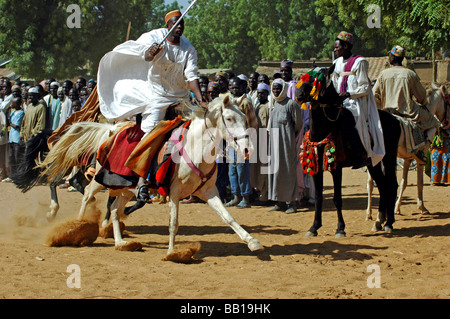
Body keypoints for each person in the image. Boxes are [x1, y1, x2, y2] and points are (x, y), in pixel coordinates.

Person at [97, 9, 206, 203]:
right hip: (158, 96)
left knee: (201, 128)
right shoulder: (154, 37)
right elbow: (144, 55)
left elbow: (192, 76)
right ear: (168, 25)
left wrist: (200, 98)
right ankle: (141, 182)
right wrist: (149, 53)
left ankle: (193, 177)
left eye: (182, 23)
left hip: (181, 96)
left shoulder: (188, 48)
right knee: (151, 136)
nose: (179, 26)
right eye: (176, 22)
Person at [373, 45, 439, 164]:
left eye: (390, 55)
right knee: (434, 123)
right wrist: (423, 103)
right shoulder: (410, 74)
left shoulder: (383, 74)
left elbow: (374, 94)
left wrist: (380, 106)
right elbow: (422, 95)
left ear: (392, 58)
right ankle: (422, 151)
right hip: (408, 113)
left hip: (387, 113)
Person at [331, 31, 385, 168]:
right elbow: (334, 82)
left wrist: (348, 94)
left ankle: (360, 153)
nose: (335, 49)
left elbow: (365, 87)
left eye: (337, 47)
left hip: (355, 102)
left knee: (347, 119)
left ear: (346, 47)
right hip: (340, 101)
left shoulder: (359, 62)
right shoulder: (336, 63)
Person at [267, 79, 303, 214]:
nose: (276, 91)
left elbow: (298, 125)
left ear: (284, 89)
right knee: (276, 172)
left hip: (287, 143)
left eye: (278, 88)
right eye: (274, 89)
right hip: (274, 144)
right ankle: (279, 202)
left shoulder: (291, 104)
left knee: (288, 172)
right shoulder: (274, 104)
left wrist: (289, 137)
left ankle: (292, 203)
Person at [225, 77, 258, 209]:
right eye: (232, 87)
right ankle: (236, 196)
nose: (234, 89)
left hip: (242, 142)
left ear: (242, 88)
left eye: (237, 87)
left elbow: (253, 123)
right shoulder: (228, 101)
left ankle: (246, 198)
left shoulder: (245, 103)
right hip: (231, 143)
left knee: (242, 171)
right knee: (232, 171)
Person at [250, 83, 271, 205]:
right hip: (257, 140)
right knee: (257, 168)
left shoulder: (269, 107)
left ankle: (265, 196)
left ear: (267, 94)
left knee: (265, 169)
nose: (260, 95)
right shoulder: (257, 106)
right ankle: (259, 193)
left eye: (262, 93)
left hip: (266, 140)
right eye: (258, 93)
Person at [6, 97, 24, 179]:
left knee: (17, 157)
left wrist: (11, 123)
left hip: (17, 138)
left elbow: (17, 125)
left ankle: (19, 175)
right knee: (11, 157)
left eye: (13, 102)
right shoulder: (13, 112)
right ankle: (12, 175)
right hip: (11, 138)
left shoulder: (21, 113)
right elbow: (8, 122)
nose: (12, 104)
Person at [0, 78, 13, 180]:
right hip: (5, 127)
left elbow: (2, 108)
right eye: (2, 87)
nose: (3, 89)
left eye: (5, 87)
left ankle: (6, 173)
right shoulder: (3, 97)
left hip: (8, 129)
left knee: (6, 152)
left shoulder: (10, 97)